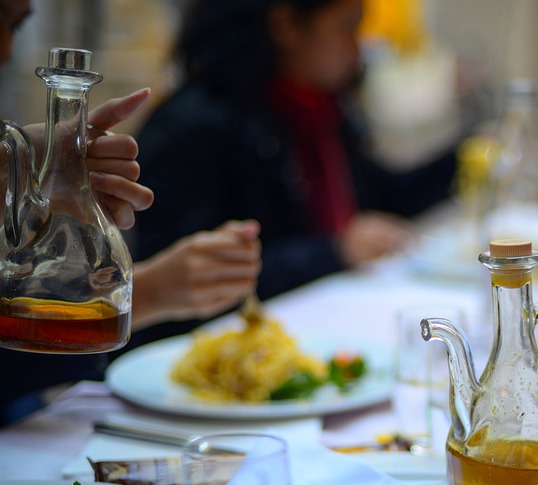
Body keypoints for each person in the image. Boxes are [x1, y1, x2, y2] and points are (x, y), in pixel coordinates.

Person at [0, 0, 260, 443]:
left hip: (15, 440)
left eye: (16, 27)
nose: (1, 50)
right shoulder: (198, 120)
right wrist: (148, 293)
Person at [128, 0, 457, 349]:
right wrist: (333, 252)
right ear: (286, 25)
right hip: (205, 353)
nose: (357, 46)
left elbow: (381, 197)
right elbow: (183, 284)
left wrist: (467, 158)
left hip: (317, 328)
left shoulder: (316, 109)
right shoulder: (194, 125)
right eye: (347, 26)